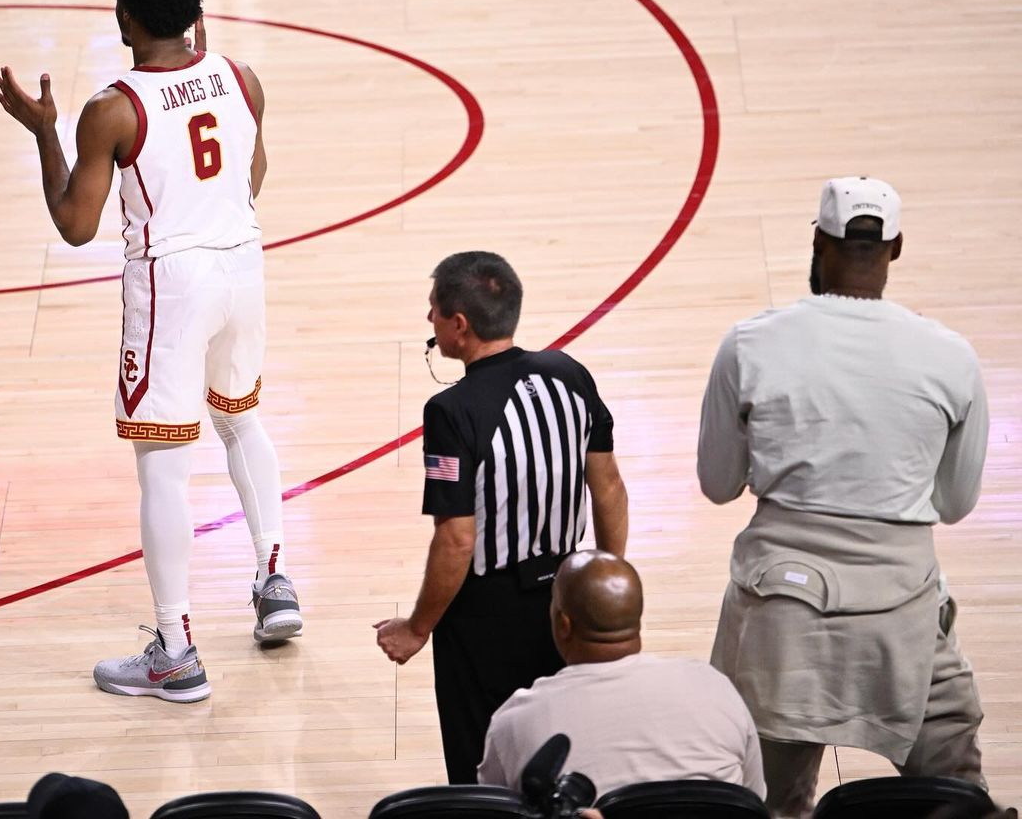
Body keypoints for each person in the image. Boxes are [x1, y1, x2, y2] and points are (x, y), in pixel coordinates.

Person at [0, 0, 302, 703]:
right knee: (241, 421)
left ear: (123, 15)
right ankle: (274, 581)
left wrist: (43, 131)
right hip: (242, 266)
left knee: (162, 461)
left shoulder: (111, 109)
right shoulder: (241, 76)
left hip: (173, 283)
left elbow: (74, 223)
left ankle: (174, 651)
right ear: (197, 10)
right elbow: (252, 175)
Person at [698, 176, 988, 817]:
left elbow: (718, 484)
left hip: (779, 617)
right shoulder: (950, 356)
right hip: (904, 612)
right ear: (897, 247)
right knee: (957, 794)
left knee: (769, 805)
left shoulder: (749, 343)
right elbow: (956, 501)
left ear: (819, 242)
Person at [374, 251, 629, 783]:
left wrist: (418, 628)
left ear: (459, 325)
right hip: (567, 595)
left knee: (482, 760)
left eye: (434, 311)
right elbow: (608, 487)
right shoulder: (571, 374)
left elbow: (457, 540)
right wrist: (604, 578)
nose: (429, 322)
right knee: (564, 748)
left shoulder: (451, 411)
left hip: (486, 615)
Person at [478, 551, 766, 798]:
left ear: (563, 624)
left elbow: (501, 809)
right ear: (637, 617)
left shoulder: (516, 721)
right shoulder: (715, 687)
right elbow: (752, 798)